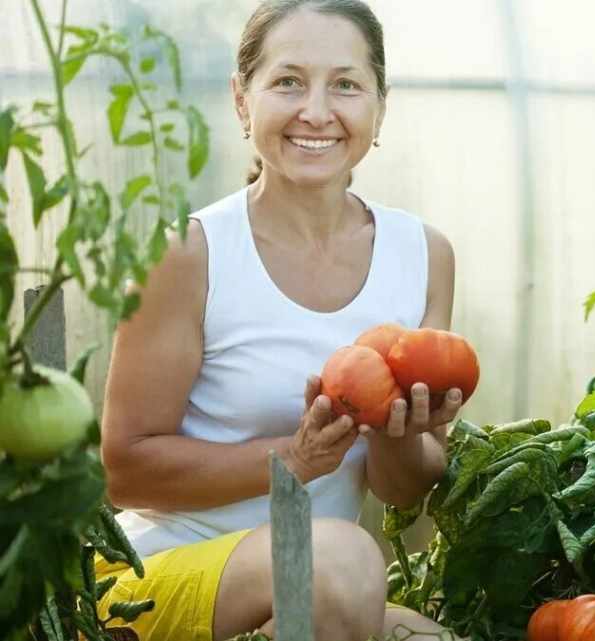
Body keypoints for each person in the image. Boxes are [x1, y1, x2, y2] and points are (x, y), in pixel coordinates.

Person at [96, 1, 464, 639]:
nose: (317, 111)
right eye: (288, 81)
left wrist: (398, 430)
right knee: (343, 558)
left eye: (345, 84)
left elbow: (404, 492)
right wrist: (292, 459)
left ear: (380, 107)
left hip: (319, 591)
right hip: (158, 577)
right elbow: (123, 471)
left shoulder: (424, 255)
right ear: (244, 101)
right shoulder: (187, 254)